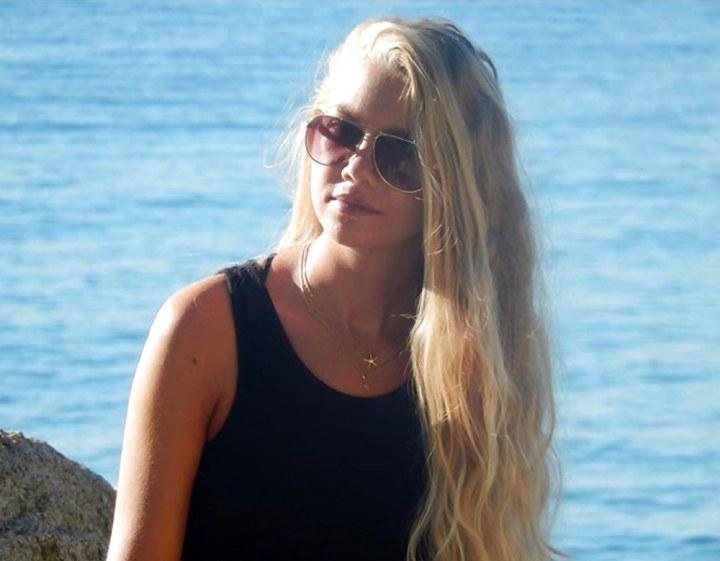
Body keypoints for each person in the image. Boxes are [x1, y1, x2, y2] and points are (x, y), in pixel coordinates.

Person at [106, 17, 558, 561]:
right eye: (341, 131)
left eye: (399, 153)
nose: (356, 168)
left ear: (455, 181)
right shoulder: (206, 330)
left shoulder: (474, 359)